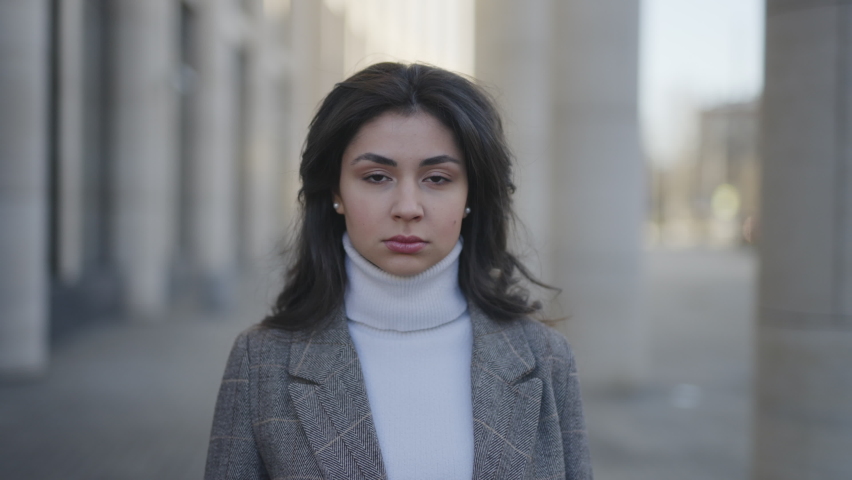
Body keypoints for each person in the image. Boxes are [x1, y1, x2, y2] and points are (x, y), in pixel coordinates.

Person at [204, 62, 592, 480]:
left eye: (438, 178)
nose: (407, 207)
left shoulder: (545, 357)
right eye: (376, 176)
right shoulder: (261, 361)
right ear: (336, 191)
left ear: (471, 194)